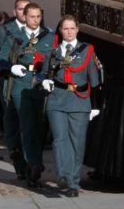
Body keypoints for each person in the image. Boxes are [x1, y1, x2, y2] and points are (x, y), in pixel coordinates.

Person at [0, 2, 54, 189]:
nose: (35, 20)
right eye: (32, 16)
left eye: (38, 16)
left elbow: (56, 59)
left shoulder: (49, 37)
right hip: (21, 84)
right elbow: (0, 60)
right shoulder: (15, 37)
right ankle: (34, 165)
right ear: (24, 17)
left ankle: (30, 165)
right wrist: (11, 67)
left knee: (39, 128)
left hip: (41, 85)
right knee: (27, 125)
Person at [42, 14, 100, 197]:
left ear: (77, 30)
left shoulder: (87, 51)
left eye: (72, 28)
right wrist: (43, 81)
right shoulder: (53, 52)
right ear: (60, 30)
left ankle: (73, 182)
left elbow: (95, 80)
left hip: (79, 99)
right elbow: (43, 73)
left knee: (77, 142)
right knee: (60, 139)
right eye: (65, 28)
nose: (68, 32)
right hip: (57, 98)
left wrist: (95, 105)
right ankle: (63, 176)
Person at [0, 0, 31, 180]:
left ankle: (31, 162)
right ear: (15, 11)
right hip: (9, 82)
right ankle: (19, 161)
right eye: (20, 9)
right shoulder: (6, 30)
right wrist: (3, 65)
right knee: (13, 125)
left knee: (30, 125)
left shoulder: (39, 31)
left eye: (27, 9)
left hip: (31, 83)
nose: (24, 12)